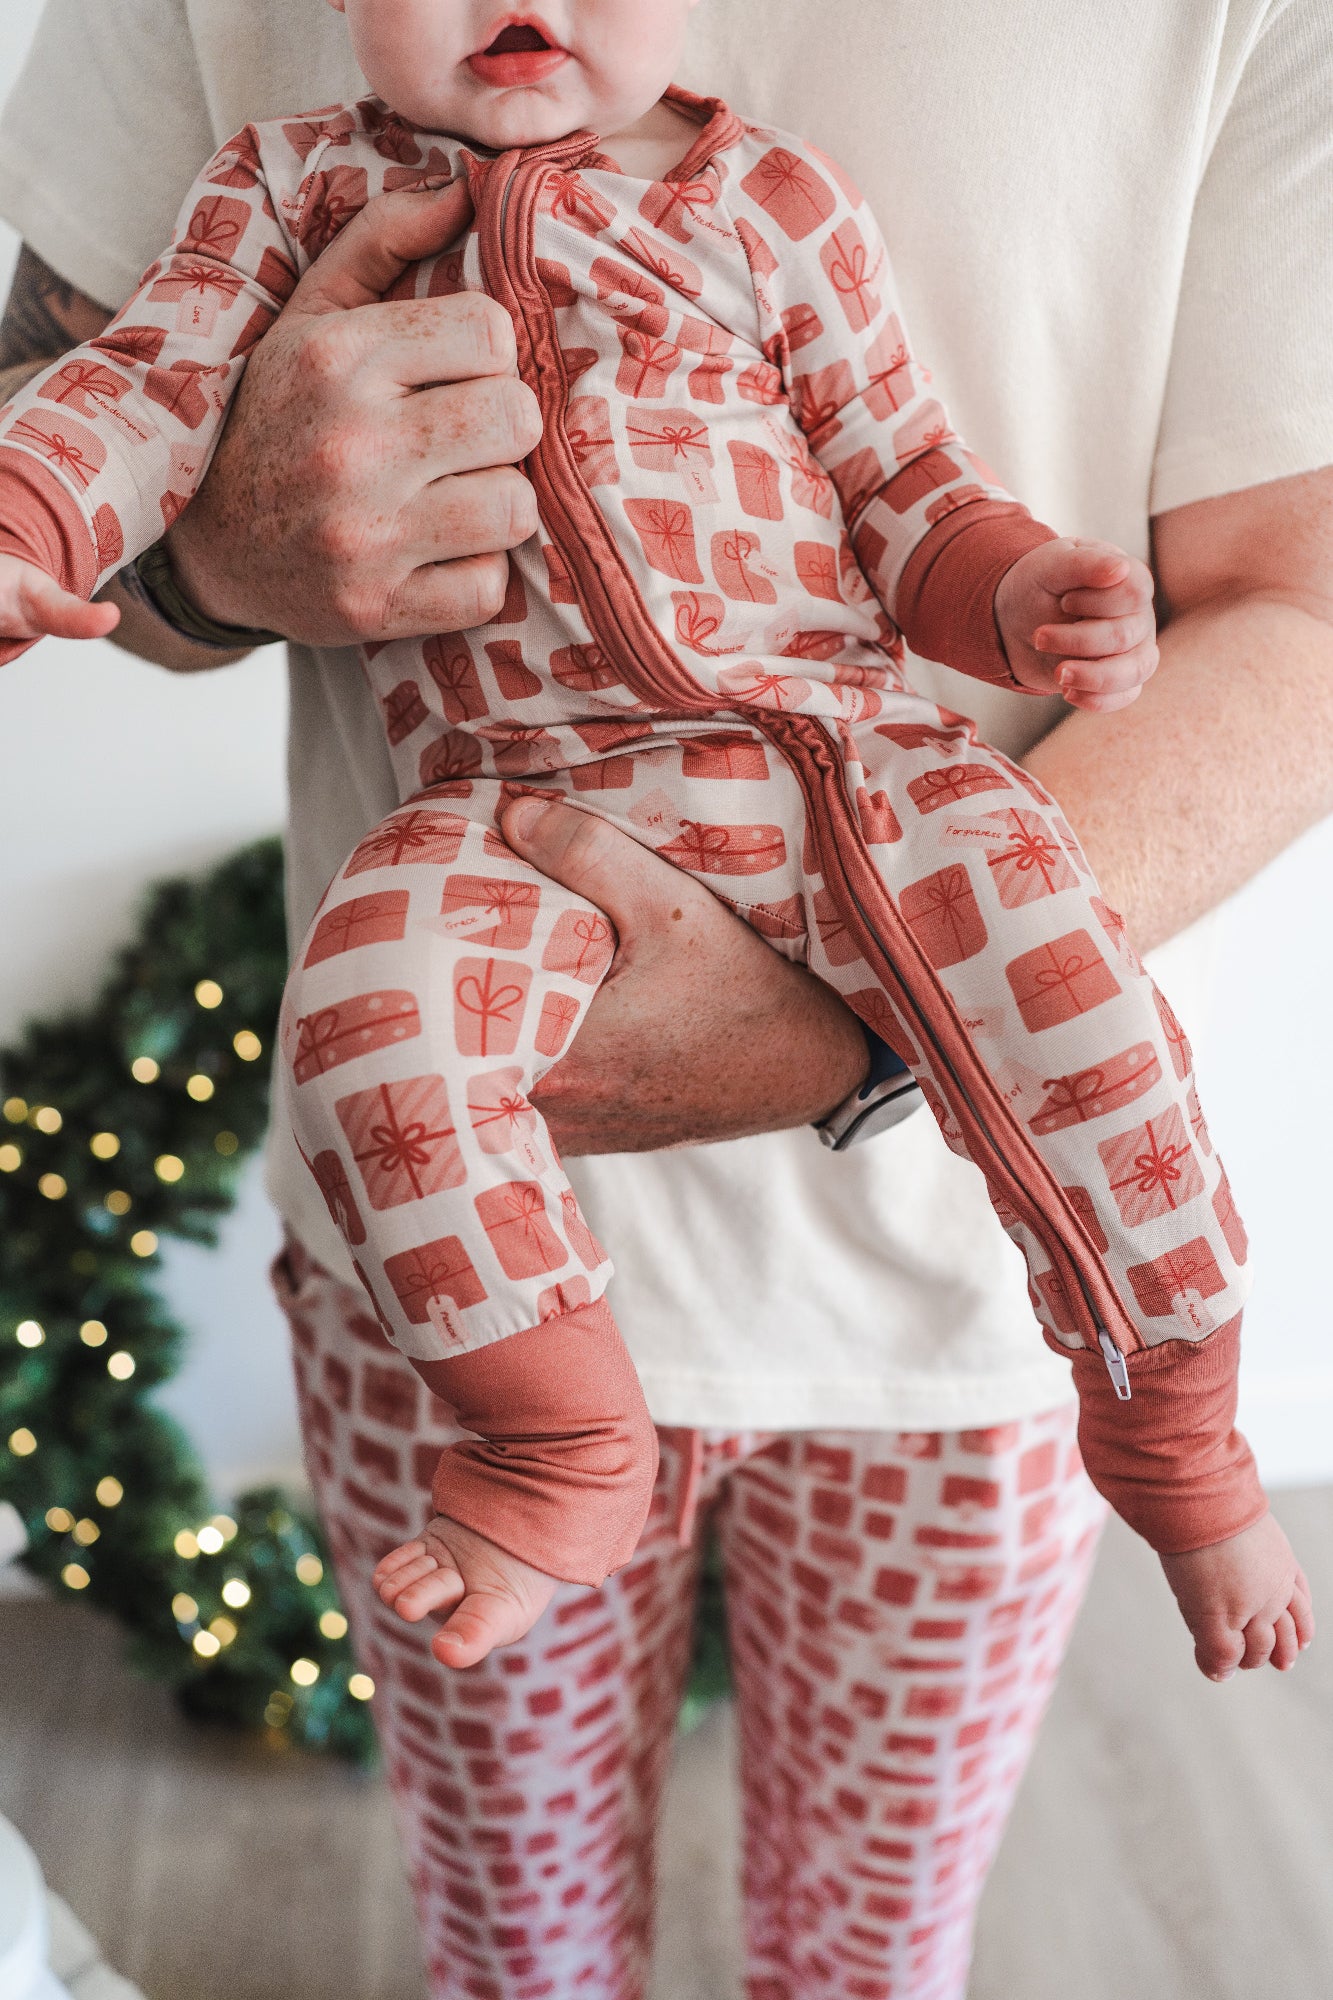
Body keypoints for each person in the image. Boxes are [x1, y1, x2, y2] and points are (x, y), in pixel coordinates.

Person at [1, 2, 1329, 1993]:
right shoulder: (291, 185)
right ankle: (554, 1440)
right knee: (371, 1026)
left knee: (1073, 1008)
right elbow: (125, 382)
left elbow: (909, 485)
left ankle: (1179, 1433)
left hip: (854, 791)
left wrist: (1015, 594)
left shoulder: (762, 202)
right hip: (506, 816)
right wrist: (48, 517)